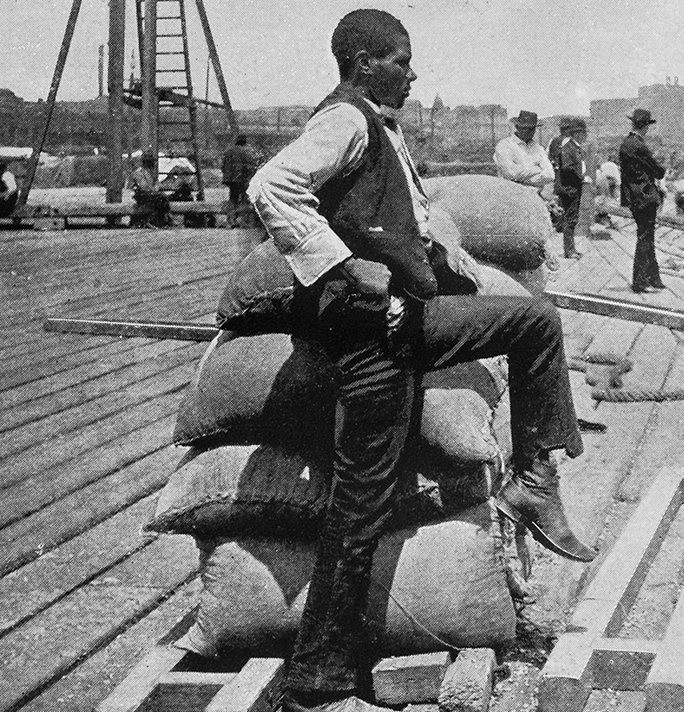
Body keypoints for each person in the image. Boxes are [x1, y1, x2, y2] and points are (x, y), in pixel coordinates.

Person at [241, 10, 595, 711]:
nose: (413, 71)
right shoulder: (345, 121)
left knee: (533, 322)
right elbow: (270, 188)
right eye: (403, 59)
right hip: (374, 339)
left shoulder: (378, 126)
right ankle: (317, 677)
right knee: (359, 503)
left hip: (407, 321)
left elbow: (390, 218)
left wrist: (439, 255)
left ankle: (533, 478)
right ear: (366, 60)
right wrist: (344, 269)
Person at [619, 108, 666, 292]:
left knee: (647, 235)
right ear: (645, 126)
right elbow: (658, 171)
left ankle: (653, 277)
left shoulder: (626, 143)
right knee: (646, 238)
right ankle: (639, 281)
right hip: (645, 197)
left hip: (634, 197)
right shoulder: (639, 145)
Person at [551, 117, 589, 258]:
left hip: (574, 187)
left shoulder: (574, 148)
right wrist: (581, 177)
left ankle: (570, 248)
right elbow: (567, 168)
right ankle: (569, 250)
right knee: (570, 219)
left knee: (572, 218)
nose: (585, 136)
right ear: (578, 133)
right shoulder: (569, 148)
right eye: (584, 133)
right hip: (570, 189)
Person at [492, 110, 554, 190]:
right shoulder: (505, 146)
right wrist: (538, 170)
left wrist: (521, 179)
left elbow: (550, 175)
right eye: (525, 128)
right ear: (517, 127)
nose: (529, 131)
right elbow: (510, 173)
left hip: (535, 196)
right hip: (511, 194)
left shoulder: (538, 148)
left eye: (532, 129)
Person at [222, 134, 261, 227]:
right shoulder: (246, 152)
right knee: (244, 199)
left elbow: (223, 166)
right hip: (241, 179)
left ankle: (231, 220)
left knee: (232, 198)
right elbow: (250, 166)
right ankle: (243, 220)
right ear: (245, 142)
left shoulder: (228, 151)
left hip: (230, 179)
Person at [126, 154, 169, 227]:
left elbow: (157, 184)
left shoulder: (151, 172)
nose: (153, 163)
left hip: (150, 193)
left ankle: (158, 220)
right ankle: (151, 220)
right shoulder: (139, 172)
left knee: (163, 198)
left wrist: (156, 187)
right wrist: (154, 189)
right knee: (161, 197)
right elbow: (143, 187)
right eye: (151, 161)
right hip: (142, 194)